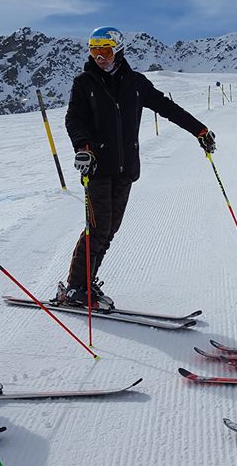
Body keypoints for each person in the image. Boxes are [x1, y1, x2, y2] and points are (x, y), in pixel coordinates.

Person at [60, 27, 215, 308]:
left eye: (105, 51)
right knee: (96, 229)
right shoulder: (84, 83)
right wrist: (82, 147)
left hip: (125, 169)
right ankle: (74, 288)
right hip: (96, 168)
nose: (99, 58)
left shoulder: (136, 83)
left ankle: (86, 284)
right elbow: (74, 119)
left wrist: (199, 130)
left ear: (117, 50)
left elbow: (168, 109)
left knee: (109, 231)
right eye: (94, 52)